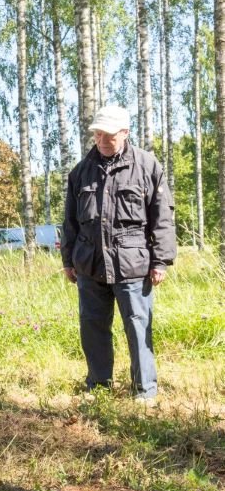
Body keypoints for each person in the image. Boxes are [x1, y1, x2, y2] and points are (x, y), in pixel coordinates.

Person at [61, 105, 175, 404]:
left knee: (138, 327)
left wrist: (161, 260)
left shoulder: (148, 166)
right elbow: (69, 221)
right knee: (92, 327)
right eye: (97, 134)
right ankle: (98, 387)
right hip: (89, 264)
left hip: (133, 265)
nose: (101, 140)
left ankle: (144, 391)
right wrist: (68, 261)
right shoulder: (80, 171)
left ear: (125, 133)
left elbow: (162, 217)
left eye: (108, 135)